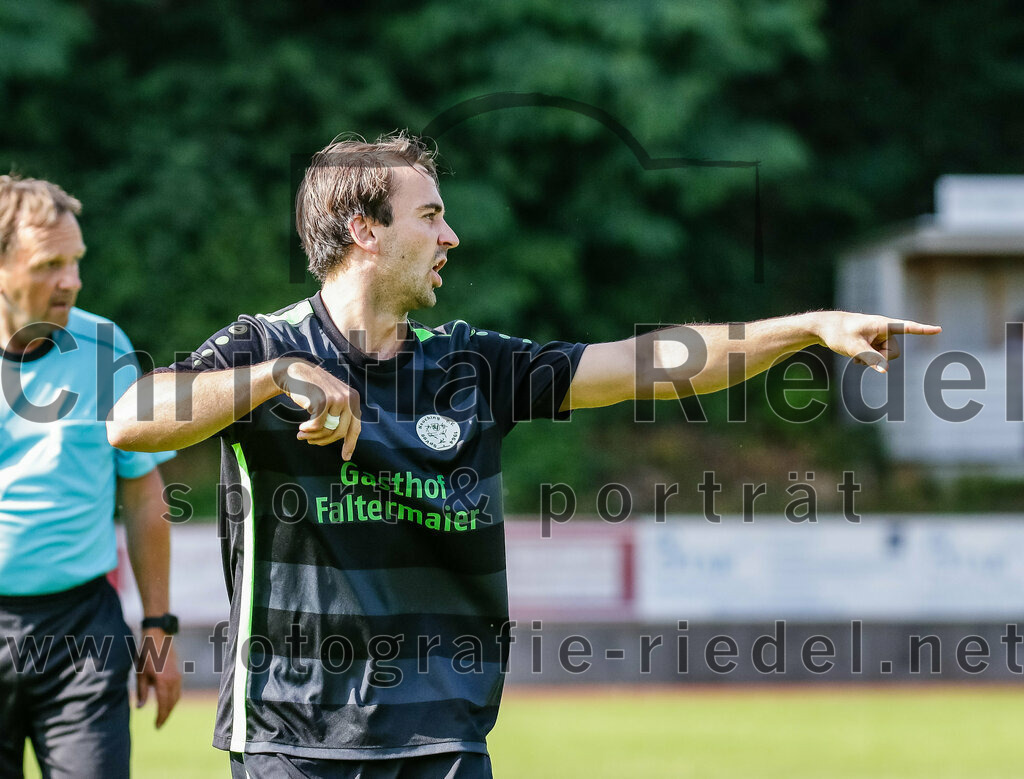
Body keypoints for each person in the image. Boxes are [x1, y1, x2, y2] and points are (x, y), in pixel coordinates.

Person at [107, 132, 940, 778]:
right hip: (292, 740)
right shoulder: (265, 345)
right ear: (363, 229)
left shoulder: (474, 364)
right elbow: (131, 421)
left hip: (444, 734)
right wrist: (276, 379)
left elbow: (648, 362)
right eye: (430, 215)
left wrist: (804, 327)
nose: (452, 236)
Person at [0, 175, 181, 778]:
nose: (71, 281)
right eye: (49, 264)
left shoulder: (107, 346)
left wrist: (157, 626)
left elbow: (142, 491)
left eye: (75, 261)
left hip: (82, 634)